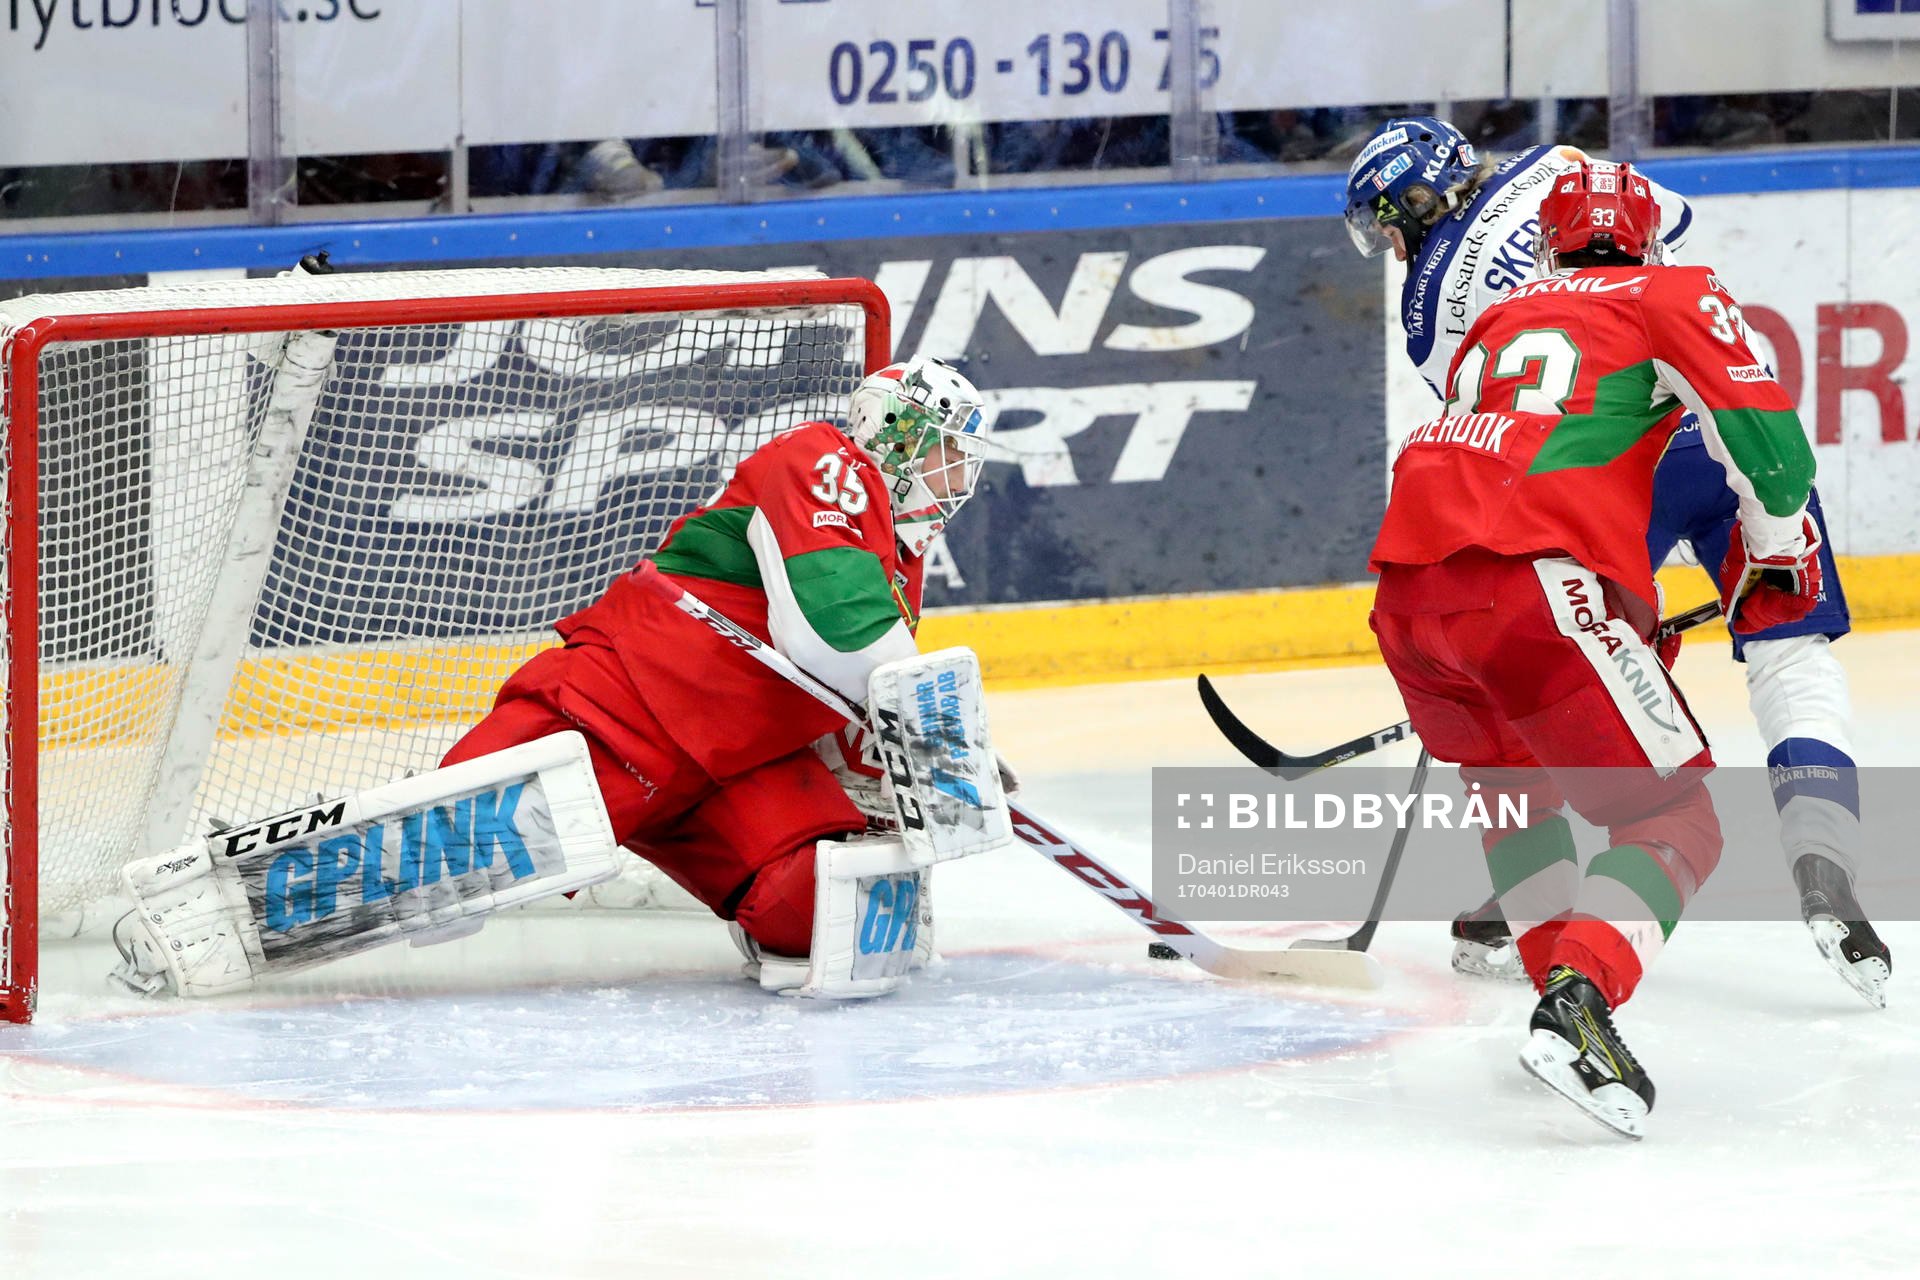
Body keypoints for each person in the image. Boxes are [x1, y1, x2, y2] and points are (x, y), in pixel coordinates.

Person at [111, 355, 1003, 1004]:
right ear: (900, 433)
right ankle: (196, 907)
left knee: (825, 910)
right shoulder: (825, 462)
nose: (958, 476)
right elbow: (833, 627)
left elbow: (852, 710)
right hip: (624, 714)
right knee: (429, 868)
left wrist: (925, 771)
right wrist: (936, 726)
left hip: (737, 768)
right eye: (950, 452)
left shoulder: (902, 563)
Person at [1344, 116, 1890, 1008]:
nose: (1394, 248)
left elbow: (1496, 428)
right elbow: (1666, 223)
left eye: (1390, 224)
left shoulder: (1435, 302)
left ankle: (1528, 906)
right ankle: (1825, 866)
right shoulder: (1562, 165)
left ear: (1416, 200)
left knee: (1553, 657)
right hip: (1719, 414)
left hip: (1598, 461)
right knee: (1791, 642)